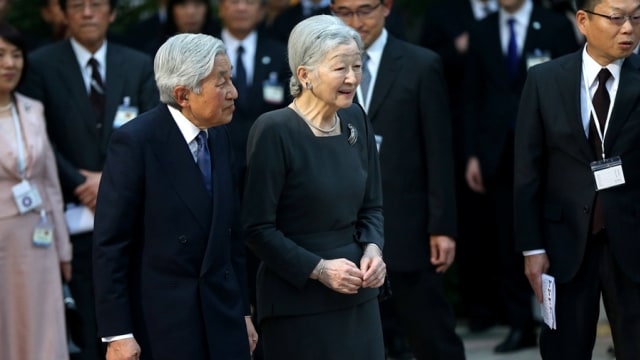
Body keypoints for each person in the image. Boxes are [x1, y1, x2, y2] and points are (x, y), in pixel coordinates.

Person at [93, 33, 257, 360]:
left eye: (231, 79)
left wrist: (243, 312)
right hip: (165, 323)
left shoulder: (221, 136)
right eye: (221, 83)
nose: (233, 93)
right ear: (183, 94)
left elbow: (231, 238)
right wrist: (118, 334)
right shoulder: (136, 142)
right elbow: (111, 245)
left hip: (222, 314)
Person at [19, 0, 159, 358]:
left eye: (96, 4)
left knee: (137, 308)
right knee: (86, 314)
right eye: (77, 6)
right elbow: (37, 134)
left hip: (129, 209)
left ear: (111, 13)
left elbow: (152, 130)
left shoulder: (139, 64)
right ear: (63, 14)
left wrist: (109, 181)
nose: (87, 13)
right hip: (71, 208)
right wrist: (79, 181)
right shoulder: (40, 64)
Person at [243, 15, 387, 360]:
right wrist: (319, 270)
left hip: (358, 297)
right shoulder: (274, 130)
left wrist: (373, 250)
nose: (352, 78)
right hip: (298, 303)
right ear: (305, 75)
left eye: (357, 66)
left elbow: (373, 206)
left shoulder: (356, 118)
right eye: (340, 68)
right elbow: (257, 228)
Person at [330, 1, 465, 359]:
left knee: (431, 334)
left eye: (365, 10)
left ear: (386, 7)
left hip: (408, 227)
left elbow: (438, 152)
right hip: (342, 232)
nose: (356, 22)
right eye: (344, 11)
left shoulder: (421, 65)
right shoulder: (320, 69)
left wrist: (442, 226)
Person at [514, 0, 640, 358]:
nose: (628, 28)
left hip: (632, 239)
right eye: (616, 18)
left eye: (636, 17)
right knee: (564, 347)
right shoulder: (545, 80)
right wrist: (532, 247)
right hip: (563, 242)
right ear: (583, 21)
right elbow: (527, 171)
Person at [463, 0, 578, 353]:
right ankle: (519, 323)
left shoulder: (555, 25)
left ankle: (566, 319)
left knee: (559, 236)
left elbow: (574, 86)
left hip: (551, 151)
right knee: (509, 240)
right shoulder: (481, 32)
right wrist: (471, 155)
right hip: (498, 153)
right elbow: (471, 96)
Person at [420, 0, 502, 335]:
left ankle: (513, 309)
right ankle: (478, 308)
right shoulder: (444, 11)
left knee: (508, 227)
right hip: (461, 133)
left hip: (506, 133)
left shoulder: (515, 11)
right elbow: (428, 58)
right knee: (472, 226)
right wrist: (458, 47)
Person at [0, 23, 72, 360]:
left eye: (16, 55)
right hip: (2, 239)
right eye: (1, 55)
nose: (10, 64)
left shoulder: (32, 108)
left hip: (39, 240)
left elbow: (49, 183)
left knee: (44, 327)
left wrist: (63, 248)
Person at [142, 0, 218, 56]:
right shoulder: (155, 51)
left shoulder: (220, 46)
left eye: (197, 4)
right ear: (172, 10)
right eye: (183, 5)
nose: (190, 12)